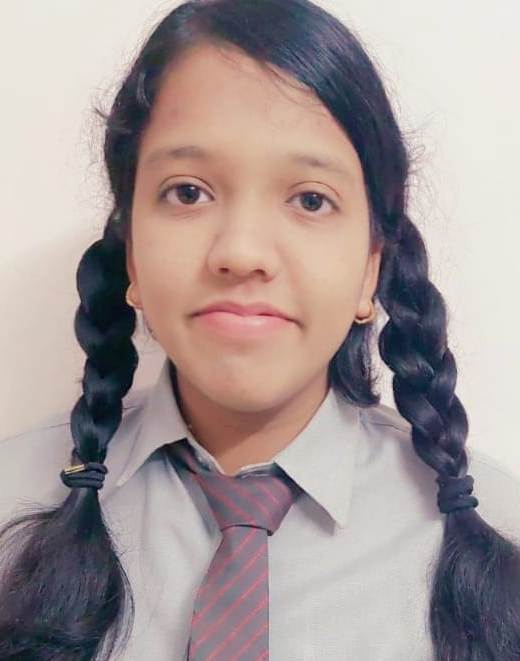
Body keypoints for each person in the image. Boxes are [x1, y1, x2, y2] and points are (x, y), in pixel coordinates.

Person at [1, 0, 519, 659]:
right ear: (131, 253)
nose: (242, 252)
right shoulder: (11, 501)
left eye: (311, 199)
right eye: (188, 192)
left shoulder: (498, 534)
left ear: (371, 268)